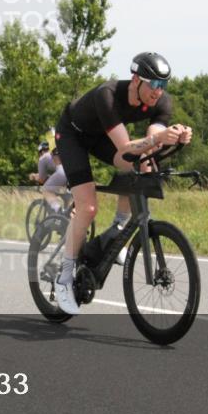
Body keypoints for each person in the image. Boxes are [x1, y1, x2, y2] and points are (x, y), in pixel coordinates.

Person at [52, 52, 192, 314]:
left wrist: (174, 137)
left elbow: (149, 143)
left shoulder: (161, 102)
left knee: (144, 164)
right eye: (153, 84)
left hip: (102, 137)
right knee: (88, 207)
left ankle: (116, 230)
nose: (158, 92)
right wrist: (159, 137)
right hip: (74, 136)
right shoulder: (107, 95)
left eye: (163, 85)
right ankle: (64, 277)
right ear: (136, 79)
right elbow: (126, 147)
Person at [28, 141, 64, 212]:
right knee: (67, 198)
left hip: (62, 173)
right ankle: (67, 216)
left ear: (40, 151)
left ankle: (59, 211)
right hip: (71, 172)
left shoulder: (43, 158)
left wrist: (34, 176)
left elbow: (41, 179)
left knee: (45, 190)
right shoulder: (55, 154)